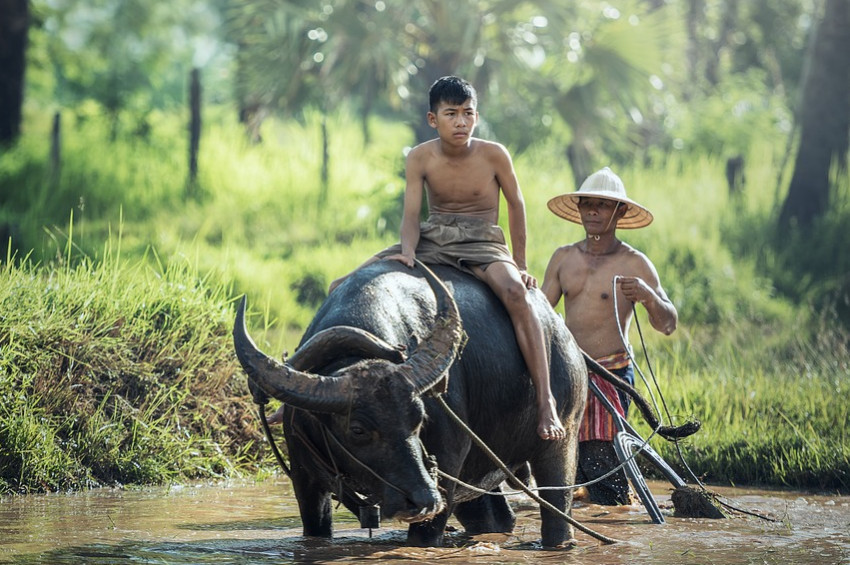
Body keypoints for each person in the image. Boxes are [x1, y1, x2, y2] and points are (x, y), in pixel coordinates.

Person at [328, 75, 565, 440]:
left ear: (477, 116)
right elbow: (411, 216)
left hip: (482, 241)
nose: (461, 122)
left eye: (468, 113)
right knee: (340, 284)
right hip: (435, 238)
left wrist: (520, 264)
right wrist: (407, 251)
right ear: (432, 119)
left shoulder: (494, 154)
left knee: (517, 295)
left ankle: (546, 400)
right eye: (451, 113)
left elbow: (516, 206)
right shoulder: (420, 157)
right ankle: (308, 392)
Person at [541, 167, 678, 504]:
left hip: (611, 375)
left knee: (601, 462)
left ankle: (616, 514)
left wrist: (647, 295)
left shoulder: (634, 263)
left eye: (602, 205)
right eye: (587, 203)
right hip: (568, 374)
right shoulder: (564, 258)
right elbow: (541, 315)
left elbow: (668, 323)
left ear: (621, 212)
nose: (592, 211)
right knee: (562, 469)